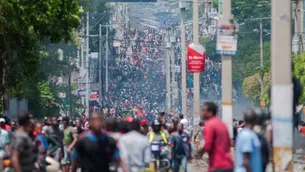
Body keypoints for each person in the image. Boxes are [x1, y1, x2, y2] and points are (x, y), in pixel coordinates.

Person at [196, 102, 233, 172]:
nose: (202, 113)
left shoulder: (209, 124)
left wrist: (199, 153)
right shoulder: (222, 124)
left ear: (210, 112)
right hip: (228, 164)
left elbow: (208, 144)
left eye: (204, 110)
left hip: (217, 165)